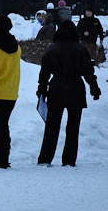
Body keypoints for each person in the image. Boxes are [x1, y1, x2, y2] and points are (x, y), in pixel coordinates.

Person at [37, 21, 100, 167]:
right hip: (75, 88)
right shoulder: (80, 49)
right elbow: (88, 72)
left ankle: (45, 158)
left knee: (52, 126)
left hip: (56, 88)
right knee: (73, 127)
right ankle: (69, 160)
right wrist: (94, 88)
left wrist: (42, 89)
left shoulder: (51, 49)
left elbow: (44, 73)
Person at [0, 16, 21, 168]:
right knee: (3, 125)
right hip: (11, 93)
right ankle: (4, 157)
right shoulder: (17, 47)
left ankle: (0, 159)